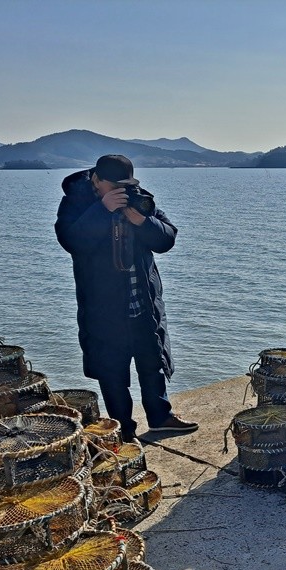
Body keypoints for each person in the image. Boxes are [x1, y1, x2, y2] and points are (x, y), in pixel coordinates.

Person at [55, 154, 198, 442]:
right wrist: (102, 210)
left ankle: (160, 417)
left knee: (152, 361)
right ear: (97, 180)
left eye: (127, 184)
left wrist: (141, 220)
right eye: (116, 186)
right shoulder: (77, 201)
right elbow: (70, 240)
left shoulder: (138, 199)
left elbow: (167, 239)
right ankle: (124, 431)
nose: (122, 190)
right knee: (112, 372)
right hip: (104, 308)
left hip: (143, 300)